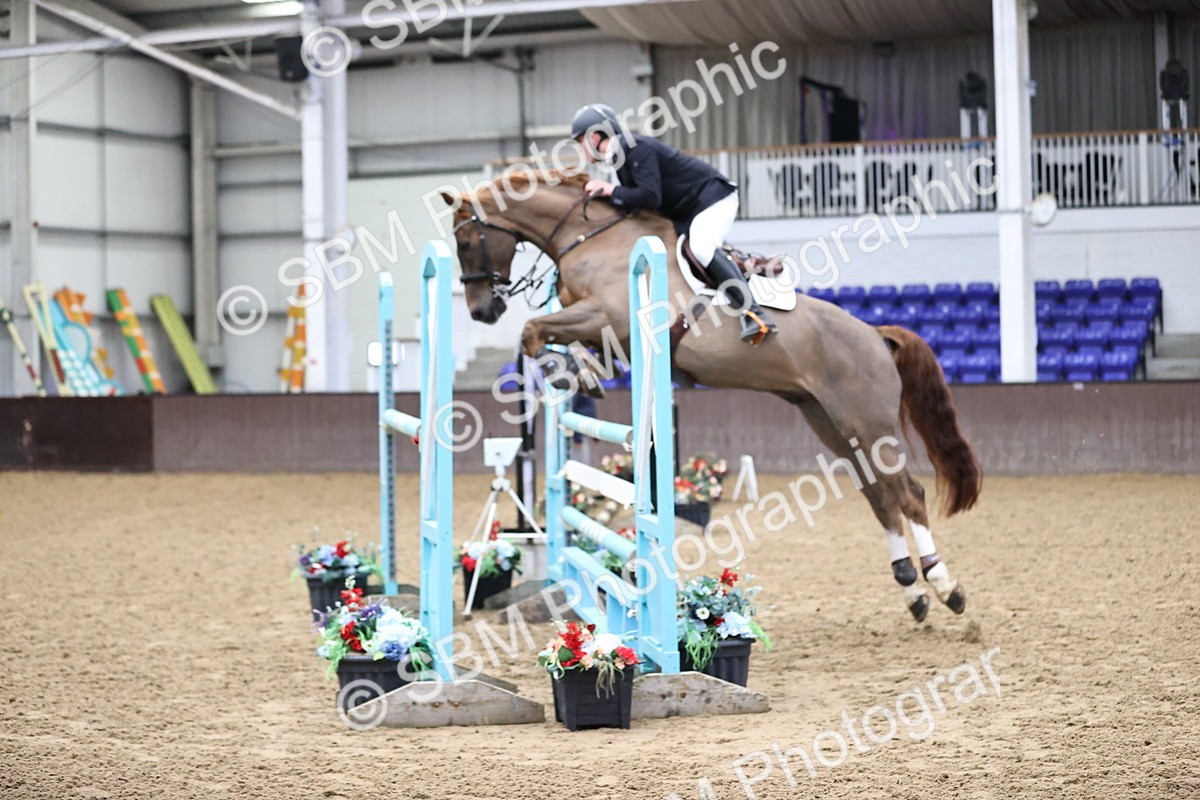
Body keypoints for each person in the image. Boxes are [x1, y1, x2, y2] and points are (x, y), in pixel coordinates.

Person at [570, 103, 777, 344]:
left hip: (714, 198)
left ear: (594, 137)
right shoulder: (622, 156)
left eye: (580, 142)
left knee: (701, 248)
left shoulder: (634, 148)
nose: (581, 150)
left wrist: (610, 189)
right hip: (690, 210)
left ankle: (754, 313)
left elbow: (650, 197)